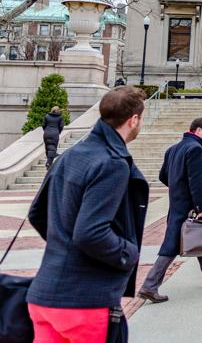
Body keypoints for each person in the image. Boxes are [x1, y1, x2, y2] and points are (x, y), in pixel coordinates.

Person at [26, 86, 149, 342]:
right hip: (84, 302)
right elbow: (90, 233)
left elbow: (38, 213)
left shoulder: (71, 154)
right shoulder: (112, 163)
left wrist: (65, 250)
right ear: (133, 119)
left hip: (44, 296)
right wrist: (129, 253)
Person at [138, 117, 202, 303]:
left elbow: (163, 175)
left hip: (177, 201)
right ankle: (149, 285)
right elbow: (197, 182)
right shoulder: (196, 149)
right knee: (172, 244)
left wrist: (177, 187)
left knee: (201, 236)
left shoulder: (173, 148)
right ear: (198, 130)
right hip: (188, 205)